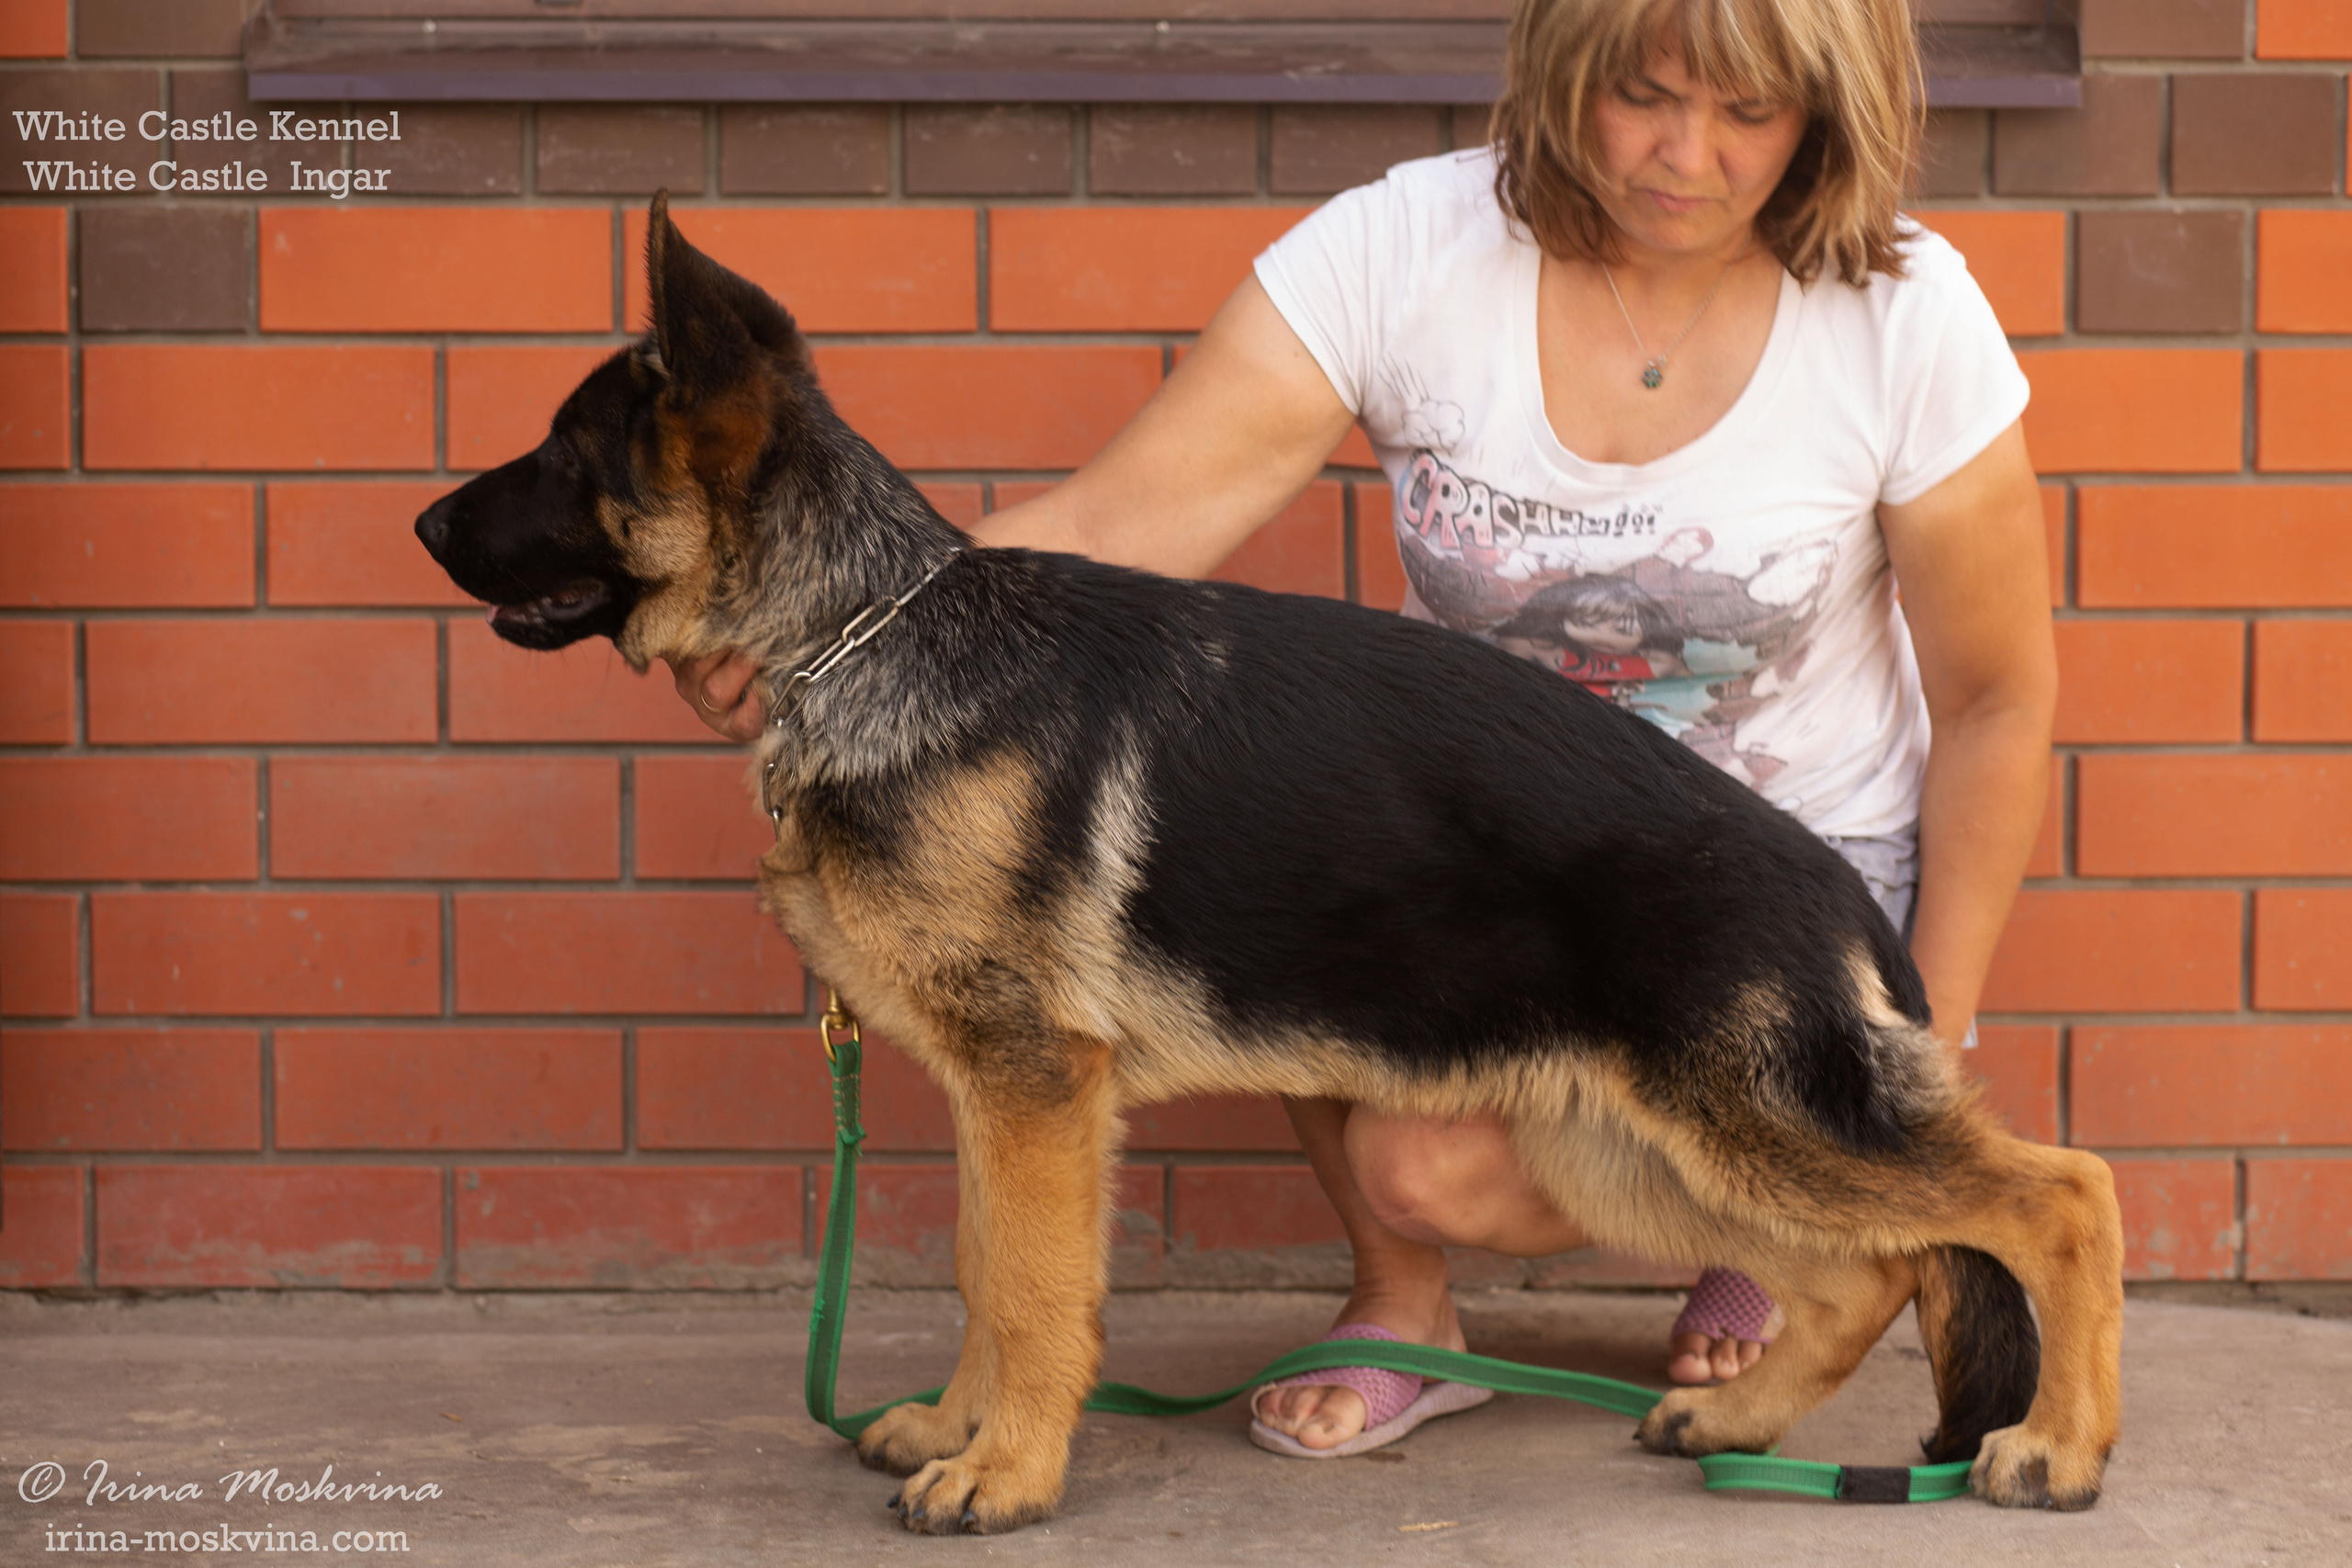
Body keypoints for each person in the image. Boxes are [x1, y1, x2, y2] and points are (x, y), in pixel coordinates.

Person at [671, 0, 2055, 1459]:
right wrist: (841, 642)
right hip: (1493, 861)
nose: (1683, 156)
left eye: (1748, 114)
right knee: (1397, 1103)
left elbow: (1994, 701)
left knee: (1746, 1135)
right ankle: (1411, 1301)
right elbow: (1117, 525)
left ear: (1825, 114)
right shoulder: (1408, 250)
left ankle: (1781, 1204)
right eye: (1644, 96)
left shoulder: (1906, 315)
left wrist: (1917, 1064)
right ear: (1571, 71)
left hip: (1769, 895)